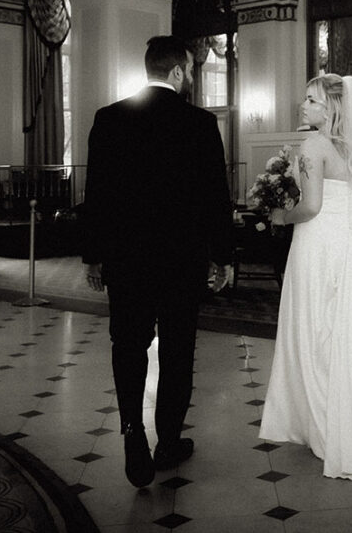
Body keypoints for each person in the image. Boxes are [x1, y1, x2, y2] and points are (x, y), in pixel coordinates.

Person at [81, 35, 234, 488]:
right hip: (181, 262)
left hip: (127, 261)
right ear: (179, 71)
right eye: (190, 68)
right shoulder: (199, 123)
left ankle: (132, 432)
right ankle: (168, 441)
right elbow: (215, 199)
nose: (191, 75)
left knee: (127, 346)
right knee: (177, 350)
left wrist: (93, 256)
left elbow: (97, 196)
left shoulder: (109, 119)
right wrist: (223, 257)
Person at [259, 73, 352, 480]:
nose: (302, 106)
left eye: (311, 100)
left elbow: (309, 208)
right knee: (337, 335)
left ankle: (322, 427)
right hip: (342, 248)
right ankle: (334, 425)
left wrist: (279, 215)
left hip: (316, 247)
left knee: (311, 333)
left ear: (330, 108)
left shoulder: (313, 145)